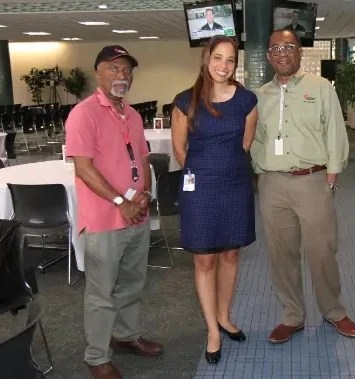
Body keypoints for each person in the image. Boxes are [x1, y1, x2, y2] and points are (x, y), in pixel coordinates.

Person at [251, 29, 355, 344]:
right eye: (276, 48)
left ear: (299, 52)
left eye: (289, 47)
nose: (283, 53)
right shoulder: (260, 95)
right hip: (273, 184)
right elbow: (256, 138)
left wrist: (332, 174)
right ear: (269, 55)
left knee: (322, 250)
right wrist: (261, 171)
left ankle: (334, 311)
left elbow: (336, 131)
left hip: (313, 180)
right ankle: (292, 316)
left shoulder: (321, 88)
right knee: (280, 253)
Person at [65, 45, 163, 379]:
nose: (122, 75)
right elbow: (84, 169)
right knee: (102, 292)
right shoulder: (84, 113)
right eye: (113, 68)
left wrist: (145, 195)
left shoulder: (132, 114)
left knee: (134, 283)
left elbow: (143, 158)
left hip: (136, 214)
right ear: (98, 72)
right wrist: (121, 202)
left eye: (126, 70)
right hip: (105, 220)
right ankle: (96, 357)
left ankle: (126, 336)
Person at [171, 35, 258, 365]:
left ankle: (224, 315)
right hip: (200, 188)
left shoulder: (247, 101)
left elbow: (246, 144)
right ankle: (212, 330)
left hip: (234, 185)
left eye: (231, 60)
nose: (224, 65)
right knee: (205, 259)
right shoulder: (185, 101)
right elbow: (180, 150)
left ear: (236, 64)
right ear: (206, 60)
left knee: (231, 255)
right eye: (218, 58)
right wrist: (203, 172)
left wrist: (225, 167)